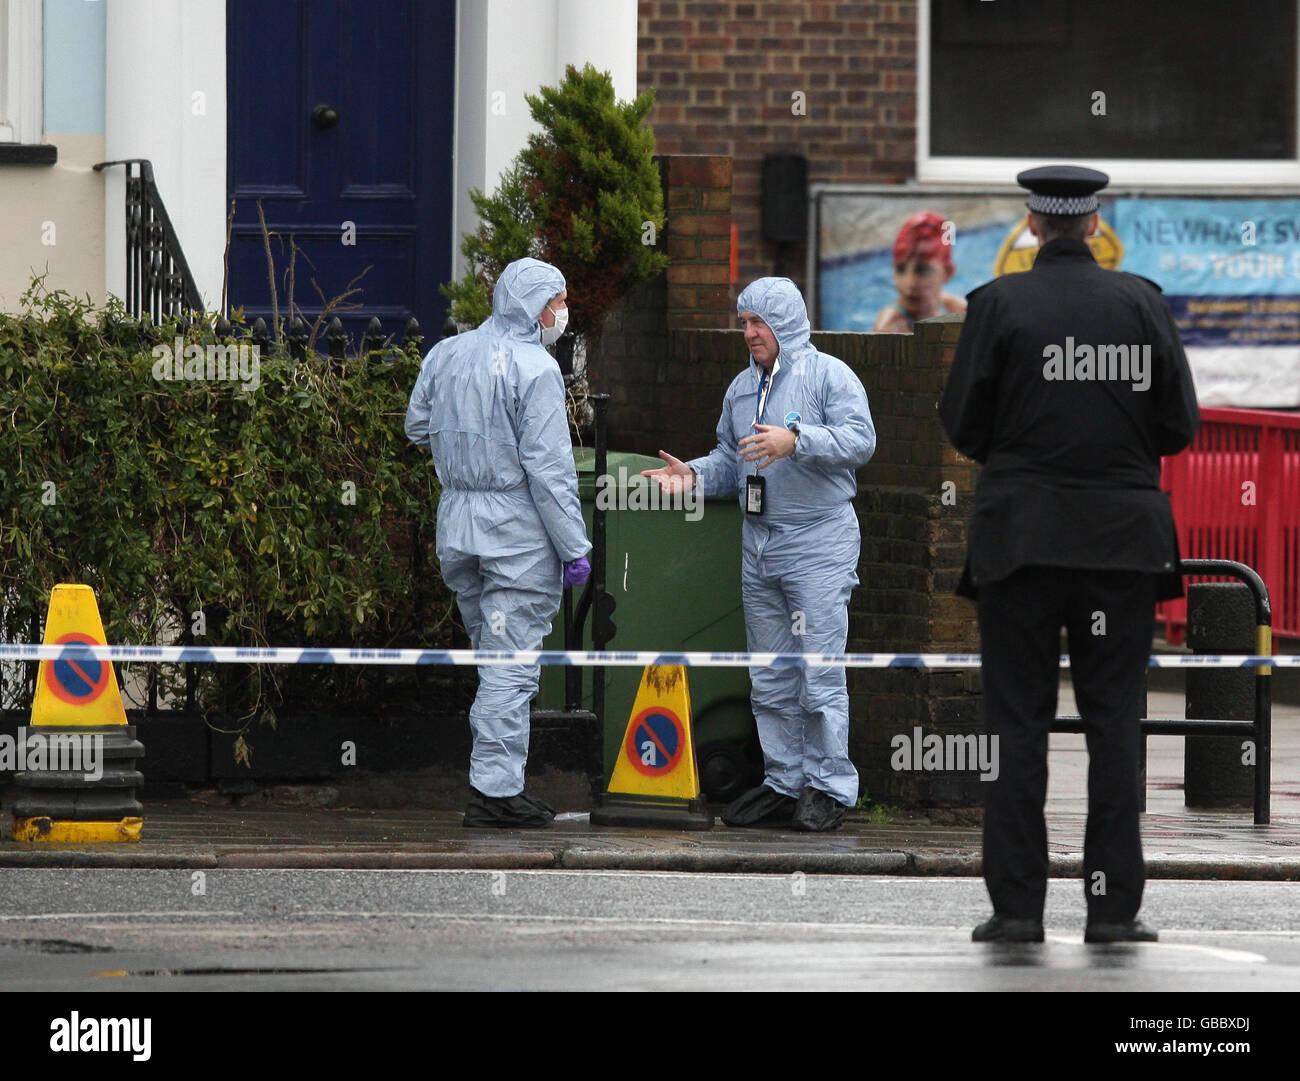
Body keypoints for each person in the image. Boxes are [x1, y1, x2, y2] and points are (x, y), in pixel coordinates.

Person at [939, 166, 1200, 943]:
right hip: (1119, 546)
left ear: (1031, 222)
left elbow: (963, 423)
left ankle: (1017, 909)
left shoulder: (998, 306)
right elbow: (1179, 423)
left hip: (1020, 541)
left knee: (1016, 726)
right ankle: (1113, 911)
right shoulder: (1141, 303)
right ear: (1094, 222)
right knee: (1115, 725)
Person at [643, 277, 876, 831]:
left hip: (817, 539)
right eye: (744, 322)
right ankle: (783, 780)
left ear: (786, 323)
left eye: (757, 323)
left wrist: (798, 441)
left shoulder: (828, 376)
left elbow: (861, 441)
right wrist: (694, 475)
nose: (747, 333)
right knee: (769, 672)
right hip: (761, 541)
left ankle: (829, 786)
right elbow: (732, 459)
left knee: (817, 671)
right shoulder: (741, 388)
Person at [405, 257, 592, 829]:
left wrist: (466, 451)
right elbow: (550, 469)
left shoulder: (446, 353)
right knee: (511, 668)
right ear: (537, 308)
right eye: (558, 302)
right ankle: (495, 789)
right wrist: (573, 547)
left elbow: (416, 427)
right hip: (515, 532)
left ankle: (497, 784)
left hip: (458, 526)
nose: (563, 313)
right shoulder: (535, 368)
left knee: (495, 659)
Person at [873, 210, 967, 333]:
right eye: (900, 269)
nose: (910, 284)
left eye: (922, 271)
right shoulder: (890, 327)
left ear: (947, 273)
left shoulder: (956, 308)